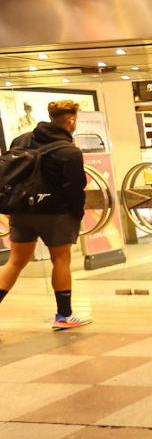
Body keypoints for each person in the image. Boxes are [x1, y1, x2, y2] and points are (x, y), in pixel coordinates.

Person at [0, 100, 90, 329]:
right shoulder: (69, 151)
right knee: (60, 259)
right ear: (70, 120)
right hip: (55, 214)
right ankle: (64, 316)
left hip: (21, 211)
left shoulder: (21, 140)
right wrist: (77, 214)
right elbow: (75, 188)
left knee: (15, 262)